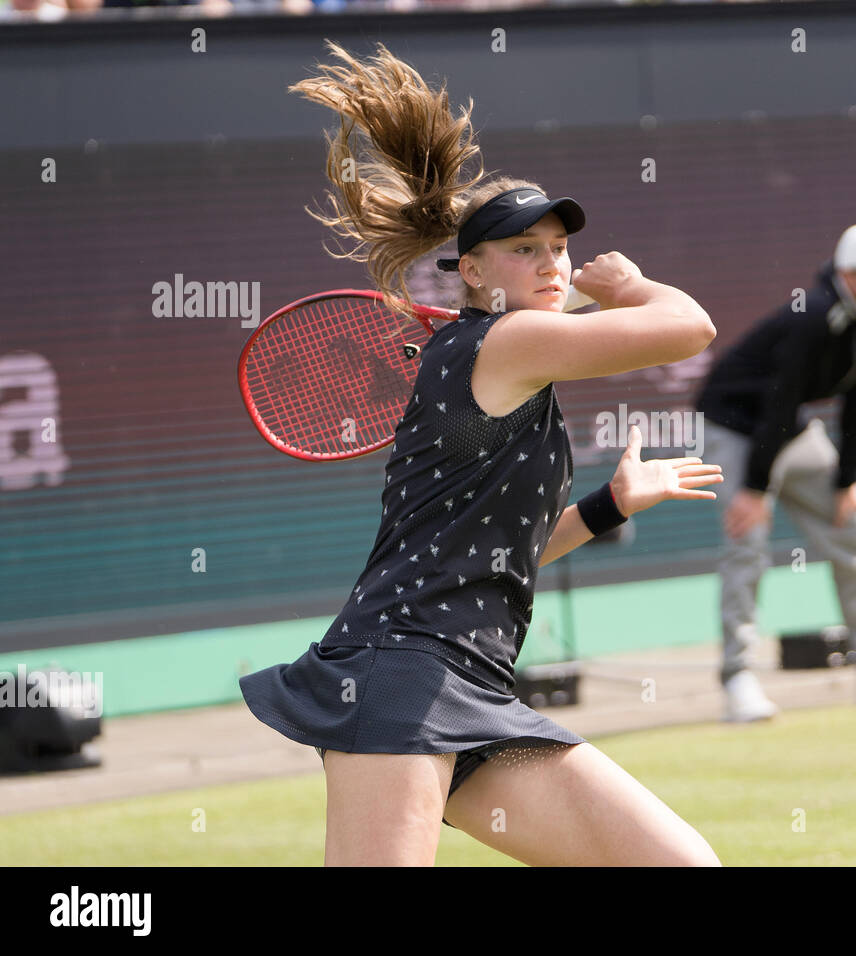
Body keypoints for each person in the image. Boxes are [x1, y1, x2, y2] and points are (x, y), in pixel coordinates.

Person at [239, 42, 723, 866]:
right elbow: (691, 327)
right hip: (398, 673)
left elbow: (508, 554)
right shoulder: (510, 340)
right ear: (470, 271)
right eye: (523, 249)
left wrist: (610, 505)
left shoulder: (499, 354)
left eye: (558, 247)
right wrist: (628, 285)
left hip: (473, 689)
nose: (551, 263)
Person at [694, 221, 856, 722]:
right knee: (748, 539)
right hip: (737, 423)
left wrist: (848, 480)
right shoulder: (814, 315)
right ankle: (738, 680)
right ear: (849, 275)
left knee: (853, 523)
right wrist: (755, 490)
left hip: (789, 427)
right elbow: (778, 400)